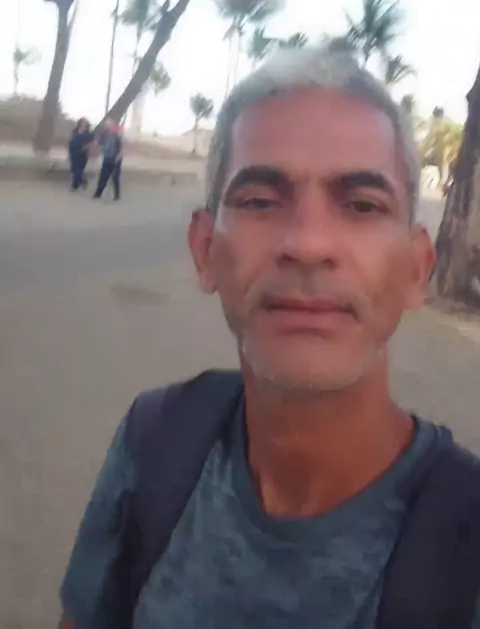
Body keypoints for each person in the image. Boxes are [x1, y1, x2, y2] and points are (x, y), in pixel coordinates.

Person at [59, 43, 480, 629]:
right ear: (205, 250)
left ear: (416, 270)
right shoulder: (153, 438)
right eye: (259, 201)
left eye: (362, 205)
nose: (307, 244)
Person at [93, 118, 123, 201]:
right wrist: (97, 142)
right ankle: (98, 193)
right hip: (107, 158)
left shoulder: (117, 135)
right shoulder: (104, 134)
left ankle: (116, 195)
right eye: (107, 125)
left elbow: (121, 147)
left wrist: (119, 156)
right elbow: (98, 143)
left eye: (110, 125)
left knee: (115, 177)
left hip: (116, 158)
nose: (108, 126)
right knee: (103, 176)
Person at [68, 118, 93, 191]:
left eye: (84, 123)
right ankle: (79, 183)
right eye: (82, 123)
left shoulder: (88, 133)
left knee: (79, 169)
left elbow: (92, 142)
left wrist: (87, 146)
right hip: (73, 152)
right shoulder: (75, 131)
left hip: (82, 153)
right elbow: (71, 141)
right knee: (74, 169)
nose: (83, 124)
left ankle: (78, 184)